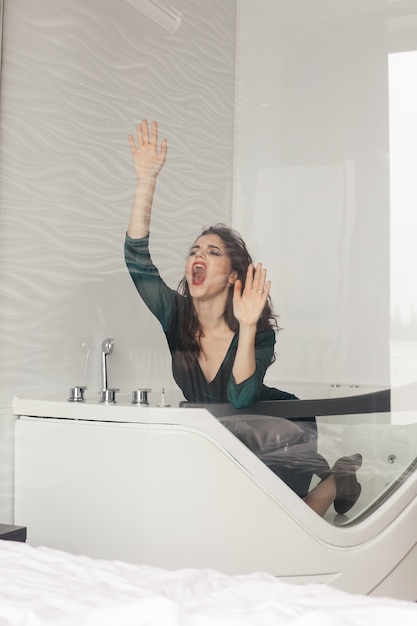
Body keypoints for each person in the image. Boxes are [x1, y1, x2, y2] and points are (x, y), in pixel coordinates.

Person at [124, 119, 362, 517]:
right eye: (194, 250)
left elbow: (240, 398)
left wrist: (249, 325)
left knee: (289, 521)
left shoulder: (258, 333)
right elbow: (137, 260)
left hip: (279, 426)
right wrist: (146, 180)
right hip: (220, 436)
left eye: (213, 253)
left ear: (233, 275)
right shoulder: (175, 315)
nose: (198, 256)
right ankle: (332, 475)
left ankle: (338, 476)